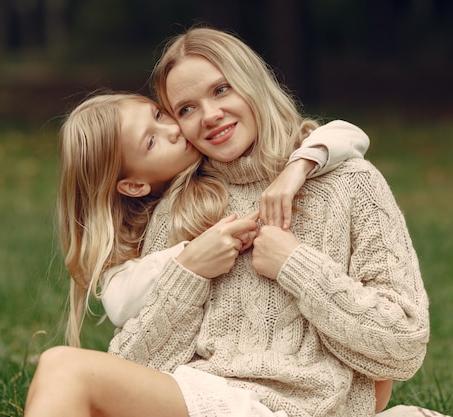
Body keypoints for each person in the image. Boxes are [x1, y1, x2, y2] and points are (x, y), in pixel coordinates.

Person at [106, 27, 429, 416]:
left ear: (252, 83)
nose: (210, 116)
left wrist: (296, 265)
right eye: (186, 109)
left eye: (222, 90)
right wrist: (189, 272)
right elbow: (131, 369)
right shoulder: (181, 206)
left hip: (309, 408)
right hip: (206, 401)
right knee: (70, 372)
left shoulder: (350, 182)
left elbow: (404, 345)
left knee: (65, 370)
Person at [24, 90, 375, 415]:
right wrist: (189, 259)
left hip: (268, 396)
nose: (173, 131)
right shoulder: (158, 222)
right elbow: (119, 301)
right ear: (133, 185)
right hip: (208, 387)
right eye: (151, 141)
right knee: (60, 369)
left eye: (160, 116)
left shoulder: (233, 155)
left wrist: (297, 169)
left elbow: (347, 133)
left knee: (62, 367)